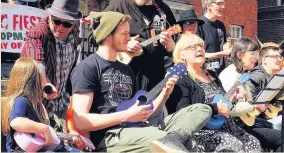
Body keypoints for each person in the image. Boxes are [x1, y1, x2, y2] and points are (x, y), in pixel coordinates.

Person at [70, 11, 212, 152]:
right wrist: (126, 115)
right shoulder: (87, 68)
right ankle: (169, 139)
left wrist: (165, 93)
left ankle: (173, 138)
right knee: (167, 140)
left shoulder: (126, 70)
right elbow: (80, 121)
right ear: (108, 35)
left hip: (137, 129)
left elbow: (144, 113)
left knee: (202, 109)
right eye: (124, 33)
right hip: (110, 137)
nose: (129, 38)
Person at [167, 33, 261, 152]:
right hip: (201, 131)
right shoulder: (181, 78)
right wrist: (214, 108)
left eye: (201, 45)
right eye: (193, 47)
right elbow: (183, 112)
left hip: (227, 126)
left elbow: (223, 102)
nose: (199, 49)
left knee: (254, 143)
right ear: (181, 54)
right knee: (232, 144)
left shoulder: (211, 75)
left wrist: (232, 99)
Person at [21, 0, 82, 132]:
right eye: (56, 21)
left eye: (66, 23)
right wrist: (45, 83)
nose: (60, 27)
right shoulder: (37, 33)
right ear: (49, 16)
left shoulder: (75, 30)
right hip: (38, 99)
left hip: (62, 99)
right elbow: (36, 61)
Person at [104, 0, 177, 91]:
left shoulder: (162, 9)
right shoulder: (118, 5)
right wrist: (123, 44)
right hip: (125, 78)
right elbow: (94, 36)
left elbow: (177, 40)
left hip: (156, 79)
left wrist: (171, 46)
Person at [219, 39, 282, 152]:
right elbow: (228, 106)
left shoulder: (245, 75)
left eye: (257, 53)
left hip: (249, 122)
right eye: (253, 53)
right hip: (235, 125)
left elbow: (250, 102)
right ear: (240, 55)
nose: (256, 57)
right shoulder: (228, 75)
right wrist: (254, 107)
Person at [197, 0, 232, 75]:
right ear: (209, 5)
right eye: (219, 3)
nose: (223, 7)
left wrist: (229, 48)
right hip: (205, 72)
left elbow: (224, 46)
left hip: (221, 71)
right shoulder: (198, 25)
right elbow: (197, 54)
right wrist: (223, 53)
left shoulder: (221, 25)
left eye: (223, 4)